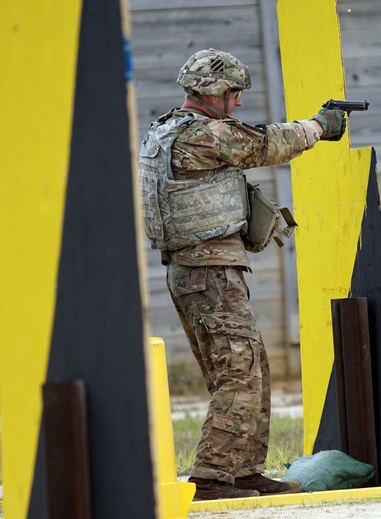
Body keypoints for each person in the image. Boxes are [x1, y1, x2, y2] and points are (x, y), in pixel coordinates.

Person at [139, 48, 347, 501]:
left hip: (201, 270)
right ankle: (213, 477)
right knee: (239, 370)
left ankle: (244, 472)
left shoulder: (167, 131)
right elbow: (263, 144)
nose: (238, 103)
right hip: (207, 272)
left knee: (250, 369)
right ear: (214, 91)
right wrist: (317, 128)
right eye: (234, 94)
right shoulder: (202, 136)